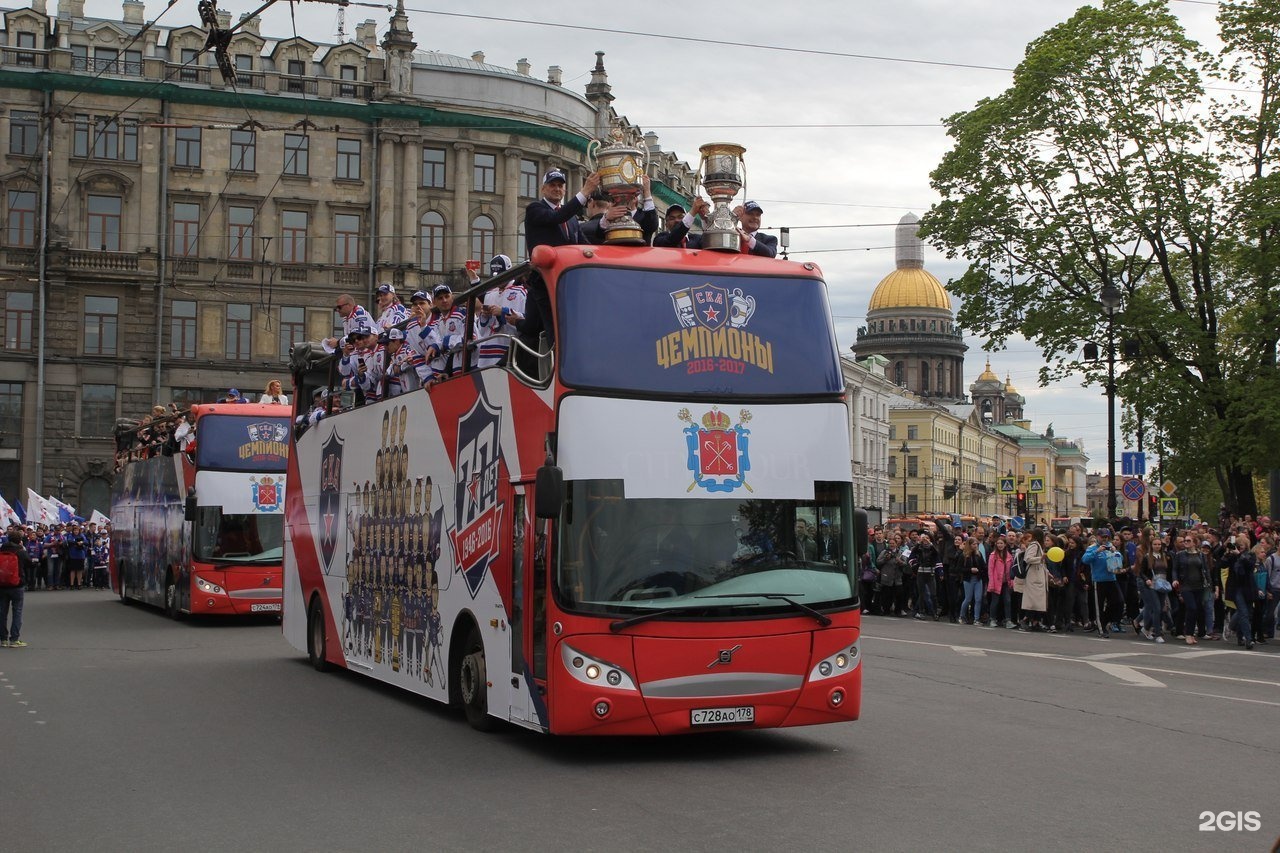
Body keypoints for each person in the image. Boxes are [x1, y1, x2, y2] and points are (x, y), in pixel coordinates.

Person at [521, 168, 602, 347]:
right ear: (543, 189)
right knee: (554, 330)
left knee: (571, 329)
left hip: (570, 282)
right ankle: (556, 369)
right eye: (552, 185)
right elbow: (556, 217)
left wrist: (608, 254)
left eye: (560, 186)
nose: (557, 189)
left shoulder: (571, 218)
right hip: (545, 282)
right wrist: (585, 191)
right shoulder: (535, 209)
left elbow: (584, 244)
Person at [474, 254, 528, 368]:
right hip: (486, 357)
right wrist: (484, 316)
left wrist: (502, 312)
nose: (498, 280)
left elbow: (527, 321)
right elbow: (482, 331)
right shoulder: (489, 293)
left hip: (509, 354)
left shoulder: (521, 292)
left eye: (501, 276)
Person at [1083, 529, 1125, 638]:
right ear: (1098, 537)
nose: (1105, 539)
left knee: (1119, 602)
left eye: (1106, 537)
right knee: (1099, 606)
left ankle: (1104, 620)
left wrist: (1115, 552)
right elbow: (1085, 560)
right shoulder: (1092, 548)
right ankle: (1102, 630)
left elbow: (1120, 560)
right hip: (1099, 581)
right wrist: (1097, 551)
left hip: (1112, 579)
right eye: (1102, 537)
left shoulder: (1111, 546)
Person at [0, 530, 31, 646]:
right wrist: (22, 548)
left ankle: (3, 639)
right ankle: (14, 639)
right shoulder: (20, 551)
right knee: (17, 611)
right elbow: (30, 563)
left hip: (2, 584)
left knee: (2, 612)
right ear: (20, 540)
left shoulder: (1, 550)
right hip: (17, 584)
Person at [1019, 529, 1049, 631]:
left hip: (1038, 576)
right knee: (1034, 601)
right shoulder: (1035, 545)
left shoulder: (1038, 546)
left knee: (1038, 602)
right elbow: (1028, 558)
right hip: (1034, 576)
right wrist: (1040, 558)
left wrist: (1048, 573)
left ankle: (1035, 622)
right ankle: (1026, 619)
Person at [959, 538, 987, 624]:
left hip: (978, 579)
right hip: (968, 579)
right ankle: (962, 616)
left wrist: (980, 571)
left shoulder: (979, 554)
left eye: (976, 544)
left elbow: (983, 566)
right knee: (968, 599)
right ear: (969, 545)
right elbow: (959, 568)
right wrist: (970, 569)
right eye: (974, 544)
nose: (975, 546)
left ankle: (976, 619)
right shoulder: (964, 555)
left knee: (978, 599)